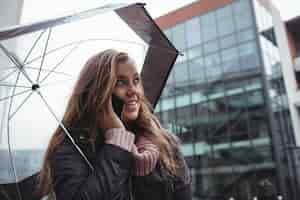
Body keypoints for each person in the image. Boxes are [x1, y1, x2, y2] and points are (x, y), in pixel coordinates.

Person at [36, 49, 192, 200]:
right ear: (96, 93)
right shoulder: (71, 149)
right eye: (120, 83)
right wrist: (117, 143)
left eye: (136, 80)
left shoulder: (166, 143)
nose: (133, 91)